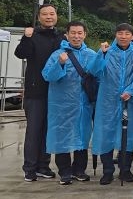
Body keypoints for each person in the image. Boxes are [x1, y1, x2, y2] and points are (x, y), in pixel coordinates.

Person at [42, 21, 98, 185]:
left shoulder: (91, 54)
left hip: (85, 105)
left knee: (82, 137)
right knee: (62, 138)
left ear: (85, 34)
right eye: (73, 33)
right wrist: (60, 63)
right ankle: (65, 172)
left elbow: (99, 75)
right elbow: (48, 76)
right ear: (67, 34)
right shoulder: (57, 54)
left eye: (80, 33)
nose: (76, 36)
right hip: (62, 106)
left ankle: (79, 170)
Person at [14, 4, 64, 182]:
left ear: (56, 16)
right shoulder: (32, 35)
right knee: (34, 131)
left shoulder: (61, 37)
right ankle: (30, 168)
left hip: (56, 92)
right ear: (39, 17)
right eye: (45, 14)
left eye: (52, 14)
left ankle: (44, 165)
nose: (49, 17)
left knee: (48, 131)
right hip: (36, 92)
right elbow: (20, 54)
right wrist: (26, 38)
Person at [91, 23, 133, 185]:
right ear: (115, 35)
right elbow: (94, 71)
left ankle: (125, 170)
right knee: (106, 134)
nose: (123, 36)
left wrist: (131, 91)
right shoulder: (107, 52)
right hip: (107, 100)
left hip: (129, 101)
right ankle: (107, 171)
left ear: (132, 36)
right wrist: (101, 55)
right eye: (120, 33)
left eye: (127, 33)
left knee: (129, 135)